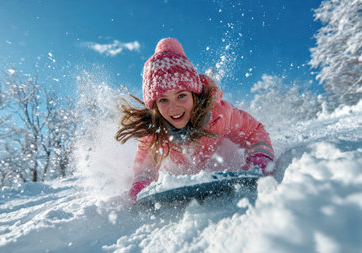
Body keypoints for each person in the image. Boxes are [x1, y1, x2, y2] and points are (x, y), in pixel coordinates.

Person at [115, 38, 274, 202]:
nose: (174, 108)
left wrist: (259, 159)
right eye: (163, 100)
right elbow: (146, 163)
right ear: (154, 106)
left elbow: (254, 131)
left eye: (181, 95)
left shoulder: (218, 115)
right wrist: (141, 185)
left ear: (194, 95)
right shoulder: (155, 132)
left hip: (215, 159)